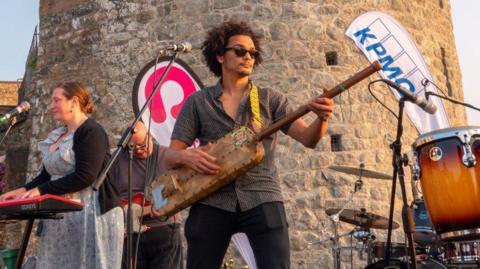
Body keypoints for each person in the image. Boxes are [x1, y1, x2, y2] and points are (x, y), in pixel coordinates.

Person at [167, 21, 334, 269]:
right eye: (240, 51)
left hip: (262, 195)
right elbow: (171, 156)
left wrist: (322, 119)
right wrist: (188, 157)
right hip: (211, 199)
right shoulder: (198, 102)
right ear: (220, 56)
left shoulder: (270, 99)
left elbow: (308, 139)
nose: (248, 57)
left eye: (253, 53)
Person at [0, 82, 123, 269]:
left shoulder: (92, 131)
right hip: (60, 216)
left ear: (74, 102)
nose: (51, 106)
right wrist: (18, 192)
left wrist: (41, 191)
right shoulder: (58, 135)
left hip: (89, 214)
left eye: (57, 100)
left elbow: (85, 176)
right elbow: (45, 176)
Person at [112, 121, 183, 269]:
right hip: (128, 234)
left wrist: (161, 204)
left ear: (150, 135)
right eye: (133, 147)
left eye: (142, 144)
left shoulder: (167, 156)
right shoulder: (117, 159)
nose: (138, 150)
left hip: (162, 230)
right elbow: (108, 192)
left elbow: (180, 190)